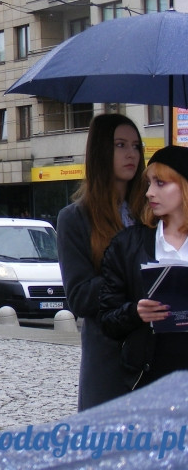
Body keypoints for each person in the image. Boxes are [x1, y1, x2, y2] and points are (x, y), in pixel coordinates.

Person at [56, 113, 147, 410]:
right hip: (109, 360)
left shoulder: (153, 213)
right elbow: (80, 296)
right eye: (120, 145)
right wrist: (132, 278)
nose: (131, 153)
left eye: (136, 146)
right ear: (100, 151)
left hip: (156, 356)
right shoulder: (75, 219)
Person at [100, 144, 188, 389]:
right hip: (148, 380)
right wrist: (135, 312)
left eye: (160, 183)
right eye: (148, 183)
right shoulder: (127, 245)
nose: (149, 193)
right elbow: (107, 319)